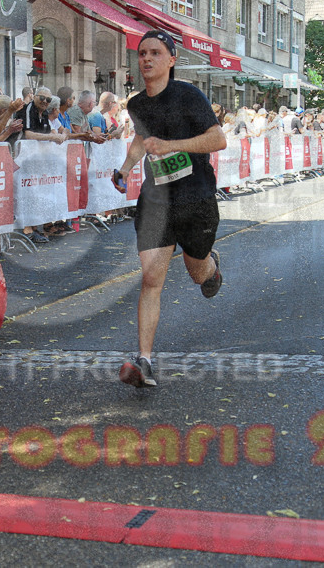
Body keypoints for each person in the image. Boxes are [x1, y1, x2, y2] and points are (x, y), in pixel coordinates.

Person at [111, 30, 226, 388]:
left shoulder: (188, 96)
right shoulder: (137, 104)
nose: (146, 59)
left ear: (171, 60)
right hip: (157, 201)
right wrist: (125, 169)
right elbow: (141, 139)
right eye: (142, 53)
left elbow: (218, 139)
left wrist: (172, 145)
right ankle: (144, 361)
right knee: (151, 279)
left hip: (195, 198)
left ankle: (210, 268)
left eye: (155, 53)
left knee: (197, 274)